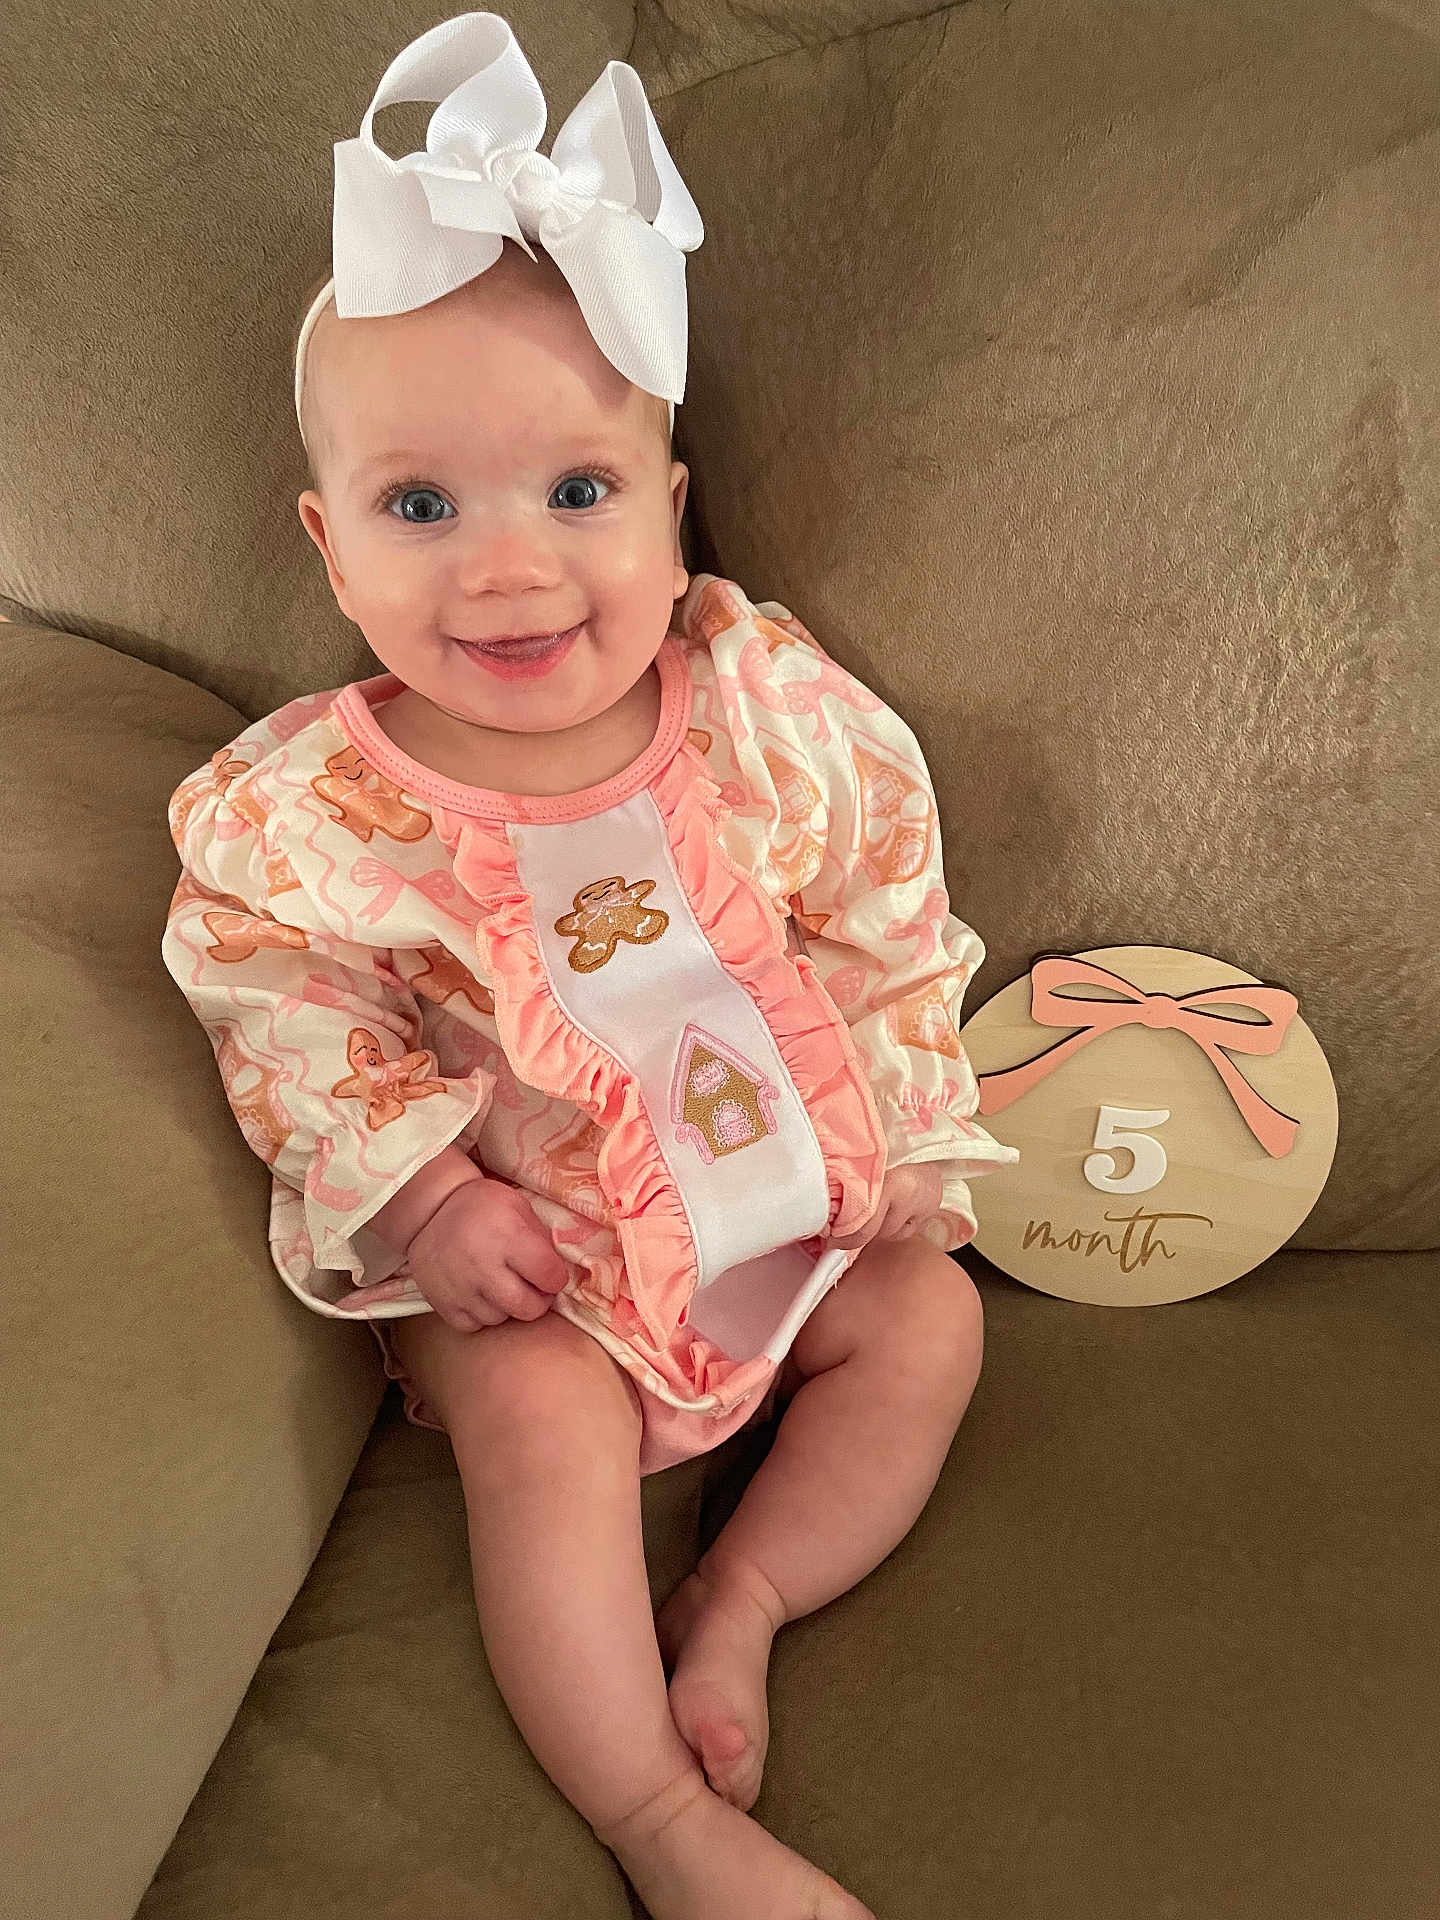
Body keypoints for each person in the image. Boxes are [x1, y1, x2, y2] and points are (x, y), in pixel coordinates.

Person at [160, 16, 1019, 1919]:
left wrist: (907, 1148)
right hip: (535, 1276)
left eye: (575, 492)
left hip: (786, 1216)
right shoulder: (315, 811)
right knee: (538, 1414)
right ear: (327, 547)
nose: (508, 571)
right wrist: (426, 1195)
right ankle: (664, 1820)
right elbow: (271, 995)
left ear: (670, 502)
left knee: (932, 1329)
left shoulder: (761, 710)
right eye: (419, 507)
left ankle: (743, 1594)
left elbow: (886, 908)